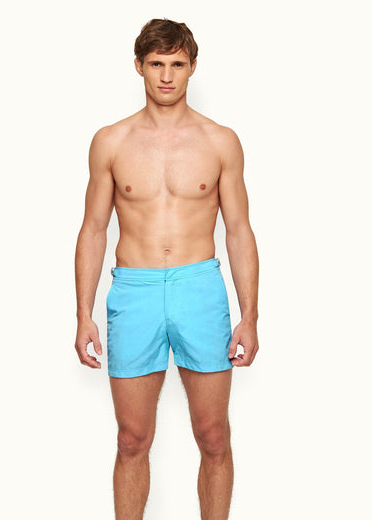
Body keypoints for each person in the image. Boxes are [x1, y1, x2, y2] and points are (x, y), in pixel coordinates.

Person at [74, 17, 259, 520]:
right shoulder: (110, 141)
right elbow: (93, 229)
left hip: (199, 286)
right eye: (157, 63)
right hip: (134, 290)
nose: (167, 76)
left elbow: (239, 231)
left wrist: (249, 315)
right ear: (139, 66)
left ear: (193, 67)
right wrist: (83, 314)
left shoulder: (220, 141)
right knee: (132, 438)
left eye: (177, 64)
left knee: (213, 436)